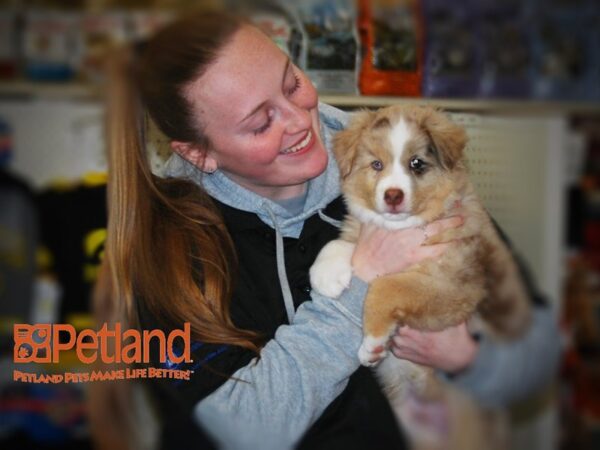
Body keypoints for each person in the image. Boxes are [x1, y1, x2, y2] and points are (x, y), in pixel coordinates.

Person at [104, 9, 560, 450]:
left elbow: (536, 347)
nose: (301, 119)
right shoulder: (164, 248)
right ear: (199, 154)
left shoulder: (398, 161)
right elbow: (243, 431)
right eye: (261, 122)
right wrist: (359, 283)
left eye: (292, 83)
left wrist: (471, 360)